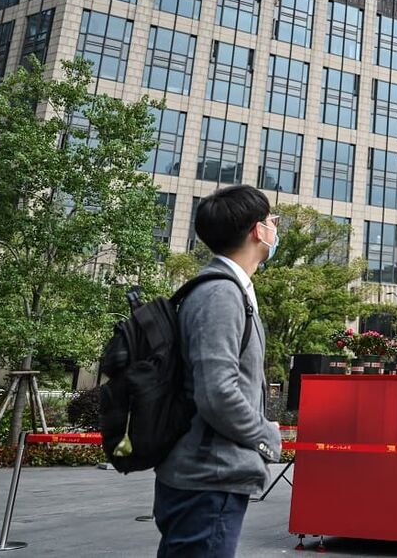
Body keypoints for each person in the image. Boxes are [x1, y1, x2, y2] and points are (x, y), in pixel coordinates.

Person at [154, 185, 283, 557]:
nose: (275, 230)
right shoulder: (221, 295)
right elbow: (218, 393)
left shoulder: (224, 289)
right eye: (273, 221)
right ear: (258, 231)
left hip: (206, 474)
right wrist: (265, 436)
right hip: (209, 476)